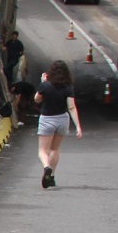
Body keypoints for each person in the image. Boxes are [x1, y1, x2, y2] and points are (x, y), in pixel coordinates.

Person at [34, 60, 82, 188]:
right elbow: (71, 107)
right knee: (55, 149)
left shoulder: (45, 86)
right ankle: (52, 176)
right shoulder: (68, 87)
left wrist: (42, 83)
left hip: (47, 119)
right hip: (62, 119)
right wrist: (78, 126)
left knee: (43, 151)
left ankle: (46, 167)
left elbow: (37, 100)